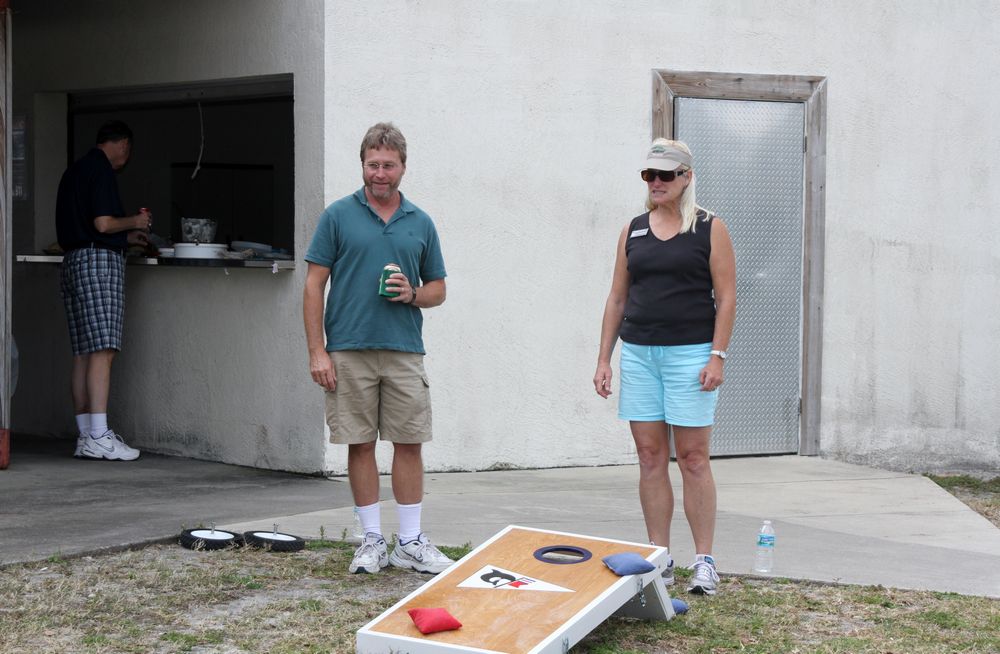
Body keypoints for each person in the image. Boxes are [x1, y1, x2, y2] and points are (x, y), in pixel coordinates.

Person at [303, 122, 453, 575]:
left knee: (409, 443)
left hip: (405, 349)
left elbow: (439, 289)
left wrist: (412, 294)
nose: (380, 173)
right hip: (347, 348)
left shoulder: (420, 221)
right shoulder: (337, 216)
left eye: (388, 165)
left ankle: (409, 542)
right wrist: (317, 351)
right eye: (373, 165)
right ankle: (371, 540)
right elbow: (313, 287)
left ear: (403, 167)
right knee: (360, 444)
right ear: (362, 165)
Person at [593, 138, 736, 595]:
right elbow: (618, 297)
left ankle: (704, 562)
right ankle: (659, 558)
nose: (655, 182)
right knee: (650, 457)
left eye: (665, 175)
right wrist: (604, 359)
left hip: (691, 355)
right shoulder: (633, 230)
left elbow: (727, 296)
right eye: (648, 175)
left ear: (686, 177)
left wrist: (717, 354)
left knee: (693, 458)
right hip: (639, 354)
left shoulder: (710, 228)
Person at [56, 120, 151, 461]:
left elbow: (88, 228)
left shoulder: (75, 171)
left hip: (73, 261)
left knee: (83, 350)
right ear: (123, 144)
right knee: (103, 349)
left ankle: (86, 435)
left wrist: (125, 238)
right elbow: (102, 224)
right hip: (98, 263)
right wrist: (135, 223)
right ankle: (99, 434)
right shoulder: (101, 170)